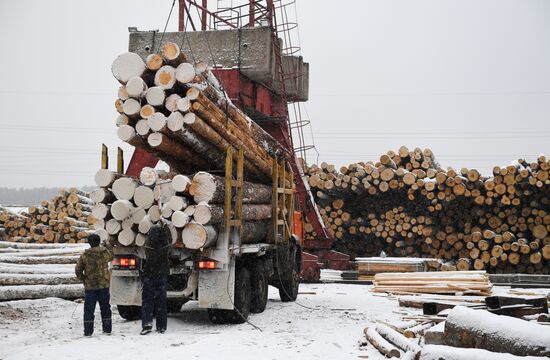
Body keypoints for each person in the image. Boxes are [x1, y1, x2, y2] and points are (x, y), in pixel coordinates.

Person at [75, 234, 113, 337]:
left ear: (89, 243)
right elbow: (112, 255)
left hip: (90, 287)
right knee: (105, 308)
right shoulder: (105, 253)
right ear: (98, 241)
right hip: (104, 286)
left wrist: (84, 280)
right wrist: (108, 245)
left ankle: (88, 331)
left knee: (89, 310)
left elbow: (78, 270)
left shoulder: (85, 255)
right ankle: (107, 329)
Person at [141, 223, 171, 335]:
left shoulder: (149, 245)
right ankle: (162, 326)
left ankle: (147, 323)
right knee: (161, 301)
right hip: (161, 274)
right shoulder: (165, 246)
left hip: (150, 273)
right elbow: (169, 241)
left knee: (147, 301)